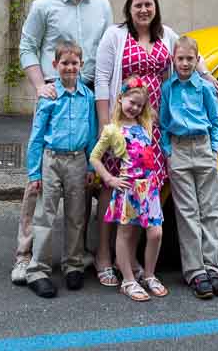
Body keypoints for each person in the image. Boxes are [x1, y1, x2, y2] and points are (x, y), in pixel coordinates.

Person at [93, 0, 218, 286]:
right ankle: (102, 255)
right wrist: (104, 124)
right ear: (129, 8)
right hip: (123, 123)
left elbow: (190, 54)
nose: (143, 10)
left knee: (141, 189)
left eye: (148, 4)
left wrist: (206, 74)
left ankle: (132, 257)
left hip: (153, 127)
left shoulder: (167, 34)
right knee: (113, 189)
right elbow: (101, 77)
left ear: (155, 7)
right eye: (138, 5)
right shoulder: (115, 35)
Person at [11, 0, 113, 285]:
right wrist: (41, 86)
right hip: (55, 95)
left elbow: (107, 51)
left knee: (81, 176)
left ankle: (75, 256)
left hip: (87, 97)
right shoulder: (44, 6)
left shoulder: (102, 6)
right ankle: (26, 257)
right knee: (38, 184)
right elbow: (27, 46)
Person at [24, 38, 98, 298]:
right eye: (64, 63)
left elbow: (91, 133)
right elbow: (36, 135)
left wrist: (90, 164)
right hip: (52, 160)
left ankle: (73, 264)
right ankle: (38, 270)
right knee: (45, 215)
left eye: (74, 63)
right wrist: (34, 172)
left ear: (81, 65)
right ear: (55, 65)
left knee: (77, 215)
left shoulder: (87, 97)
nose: (69, 68)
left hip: (77, 161)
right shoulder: (49, 95)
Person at [160, 35, 218, 300]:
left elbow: (216, 121)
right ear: (173, 60)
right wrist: (168, 152)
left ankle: (212, 268)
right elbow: (164, 123)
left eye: (190, 59)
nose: (185, 63)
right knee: (187, 213)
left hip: (203, 148)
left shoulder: (205, 89)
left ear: (197, 60)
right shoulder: (168, 88)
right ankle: (195, 272)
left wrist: (214, 149)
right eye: (180, 59)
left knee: (210, 211)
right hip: (178, 151)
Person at [90, 76, 167, 302]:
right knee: (126, 232)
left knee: (155, 232)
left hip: (149, 189)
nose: (134, 108)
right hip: (129, 188)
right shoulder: (112, 130)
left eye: (139, 105)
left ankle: (149, 274)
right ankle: (128, 280)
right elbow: (95, 157)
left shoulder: (145, 124)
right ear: (121, 98)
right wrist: (109, 179)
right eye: (131, 102)